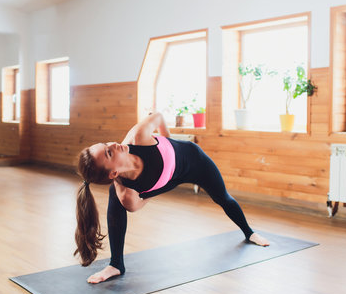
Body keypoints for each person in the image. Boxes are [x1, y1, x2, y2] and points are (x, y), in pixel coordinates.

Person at [75, 112, 269, 284]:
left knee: (222, 198)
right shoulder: (127, 196)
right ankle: (116, 264)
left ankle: (249, 233)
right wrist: (160, 186)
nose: (113, 144)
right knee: (115, 196)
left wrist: (169, 141)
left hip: (195, 162)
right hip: (168, 180)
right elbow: (138, 204)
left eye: (105, 144)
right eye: (108, 152)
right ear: (113, 173)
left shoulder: (138, 136)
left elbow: (157, 116)